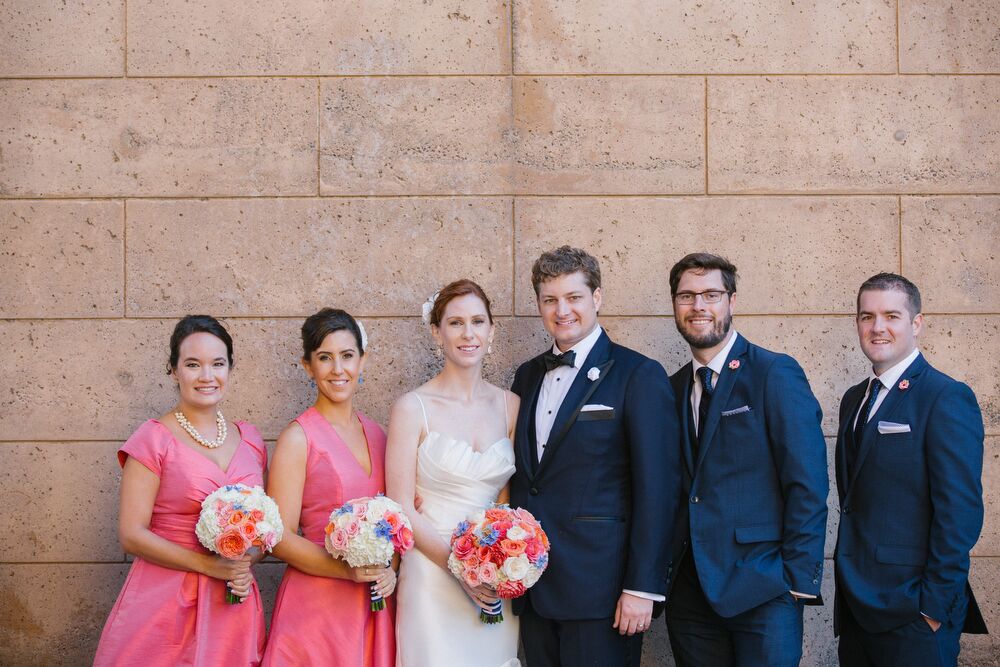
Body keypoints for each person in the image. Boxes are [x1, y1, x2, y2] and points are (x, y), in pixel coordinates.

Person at [509, 246, 680, 667]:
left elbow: (658, 489)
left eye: (574, 297)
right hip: (533, 587)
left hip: (604, 595)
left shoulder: (638, 374)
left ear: (596, 298)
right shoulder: (527, 375)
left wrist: (642, 587)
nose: (562, 310)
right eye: (550, 300)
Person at [664, 253, 828, 667]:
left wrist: (797, 581)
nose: (698, 305)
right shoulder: (671, 387)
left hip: (764, 588)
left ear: (731, 301)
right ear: (675, 306)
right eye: (687, 295)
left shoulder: (774, 373)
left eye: (711, 294)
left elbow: (807, 482)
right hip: (690, 593)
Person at [94, 315, 267, 666]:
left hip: (233, 602)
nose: (207, 376)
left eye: (217, 364)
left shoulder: (251, 440)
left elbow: (265, 530)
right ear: (173, 370)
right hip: (165, 601)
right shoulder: (153, 439)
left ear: (230, 368)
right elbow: (131, 534)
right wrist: (208, 566)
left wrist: (243, 561)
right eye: (193, 364)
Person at [834, 273, 986, 666]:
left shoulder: (945, 396)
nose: (877, 327)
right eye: (866, 316)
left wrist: (932, 609)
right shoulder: (854, 399)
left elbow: (960, 514)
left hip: (913, 614)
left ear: (916, 323)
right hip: (857, 609)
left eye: (891, 316)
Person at [386, 279, 520, 667]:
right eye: (455, 322)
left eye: (478, 321)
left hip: (492, 580)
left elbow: (504, 503)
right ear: (436, 332)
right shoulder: (412, 408)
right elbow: (399, 504)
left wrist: (496, 565)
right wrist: (461, 569)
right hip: (431, 574)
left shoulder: (510, 406)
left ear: (491, 330)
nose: (468, 333)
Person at [262, 308, 396, 666]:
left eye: (347, 356)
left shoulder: (380, 435)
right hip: (317, 609)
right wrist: (345, 570)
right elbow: (277, 536)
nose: (338, 369)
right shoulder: (297, 438)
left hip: (373, 606)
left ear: (362, 361)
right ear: (308, 366)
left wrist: (391, 571)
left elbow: (397, 523)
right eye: (325, 358)